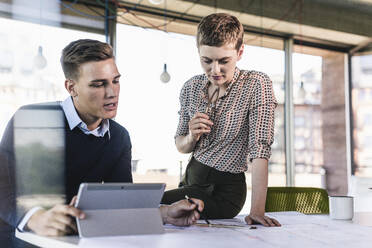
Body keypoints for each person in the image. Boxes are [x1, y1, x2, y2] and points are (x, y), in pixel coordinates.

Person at [0, 39, 204, 242]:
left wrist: (165, 213)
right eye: (98, 84)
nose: (111, 93)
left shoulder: (119, 137)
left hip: (75, 241)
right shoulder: (31, 119)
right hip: (18, 238)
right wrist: (34, 218)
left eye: (115, 81)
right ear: (71, 87)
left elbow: (120, 204)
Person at [161, 13, 281, 227]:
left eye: (224, 61)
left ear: (240, 52)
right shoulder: (191, 87)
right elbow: (181, 145)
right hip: (190, 182)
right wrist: (191, 136)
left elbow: (259, 150)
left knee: (149, 203)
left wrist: (257, 211)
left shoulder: (255, 84)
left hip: (223, 192)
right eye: (206, 61)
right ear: (198, 53)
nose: (215, 70)